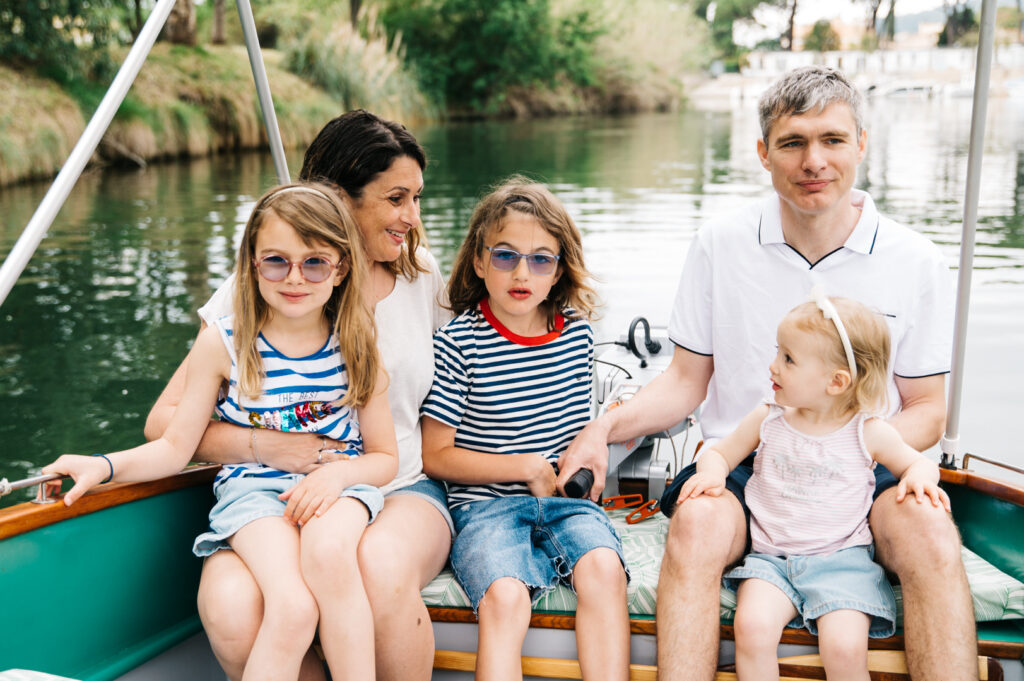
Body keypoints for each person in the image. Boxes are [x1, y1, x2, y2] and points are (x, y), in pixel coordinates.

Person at [558, 65, 977, 680]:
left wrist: (844, 450)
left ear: (861, 144)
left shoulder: (916, 260)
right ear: (763, 152)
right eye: (793, 142)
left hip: (866, 463)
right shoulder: (719, 243)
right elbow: (684, 381)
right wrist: (604, 428)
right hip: (745, 459)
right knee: (697, 526)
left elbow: (927, 409)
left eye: (833, 140)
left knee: (933, 535)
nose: (814, 161)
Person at [44, 183, 398, 680]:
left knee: (329, 555)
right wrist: (104, 465)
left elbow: (385, 458)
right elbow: (172, 447)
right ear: (252, 265)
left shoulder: (358, 345)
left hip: (335, 489)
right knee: (293, 608)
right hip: (253, 496)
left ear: (340, 269)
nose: (295, 277)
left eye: (314, 262)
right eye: (277, 261)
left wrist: (335, 480)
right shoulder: (224, 345)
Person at [144, 111, 452, 681]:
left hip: (400, 484)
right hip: (273, 494)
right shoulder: (261, 288)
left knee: (375, 564)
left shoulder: (421, 277)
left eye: (416, 198)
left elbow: (474, 380)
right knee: (233, 607)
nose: (412, 217)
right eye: (396, 198)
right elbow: (163, 422)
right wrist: (268, 448)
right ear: (338, 197)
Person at [678, 293, 950, 681]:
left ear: (836, 382)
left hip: (842, 562)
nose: (773, 366)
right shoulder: (768, 419)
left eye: (788, 359)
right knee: (751, 630)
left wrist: (920, 478)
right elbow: (719, 454)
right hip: (772, 561)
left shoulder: (867, 431)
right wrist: (713, 473)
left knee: (844, 647)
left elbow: (919, 462)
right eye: (778, 352)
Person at [420, 178, 630, 680]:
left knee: (603, 571)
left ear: (559, 270)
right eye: (505, 255)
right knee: (506, 597)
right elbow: (436, 455)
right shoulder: (459, 344)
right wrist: (525, 468)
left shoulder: (575, 331)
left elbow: (578, 427)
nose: (522, 272)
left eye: (541, 259)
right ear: (478, 260)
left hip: (565, 501)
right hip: (485, 508)